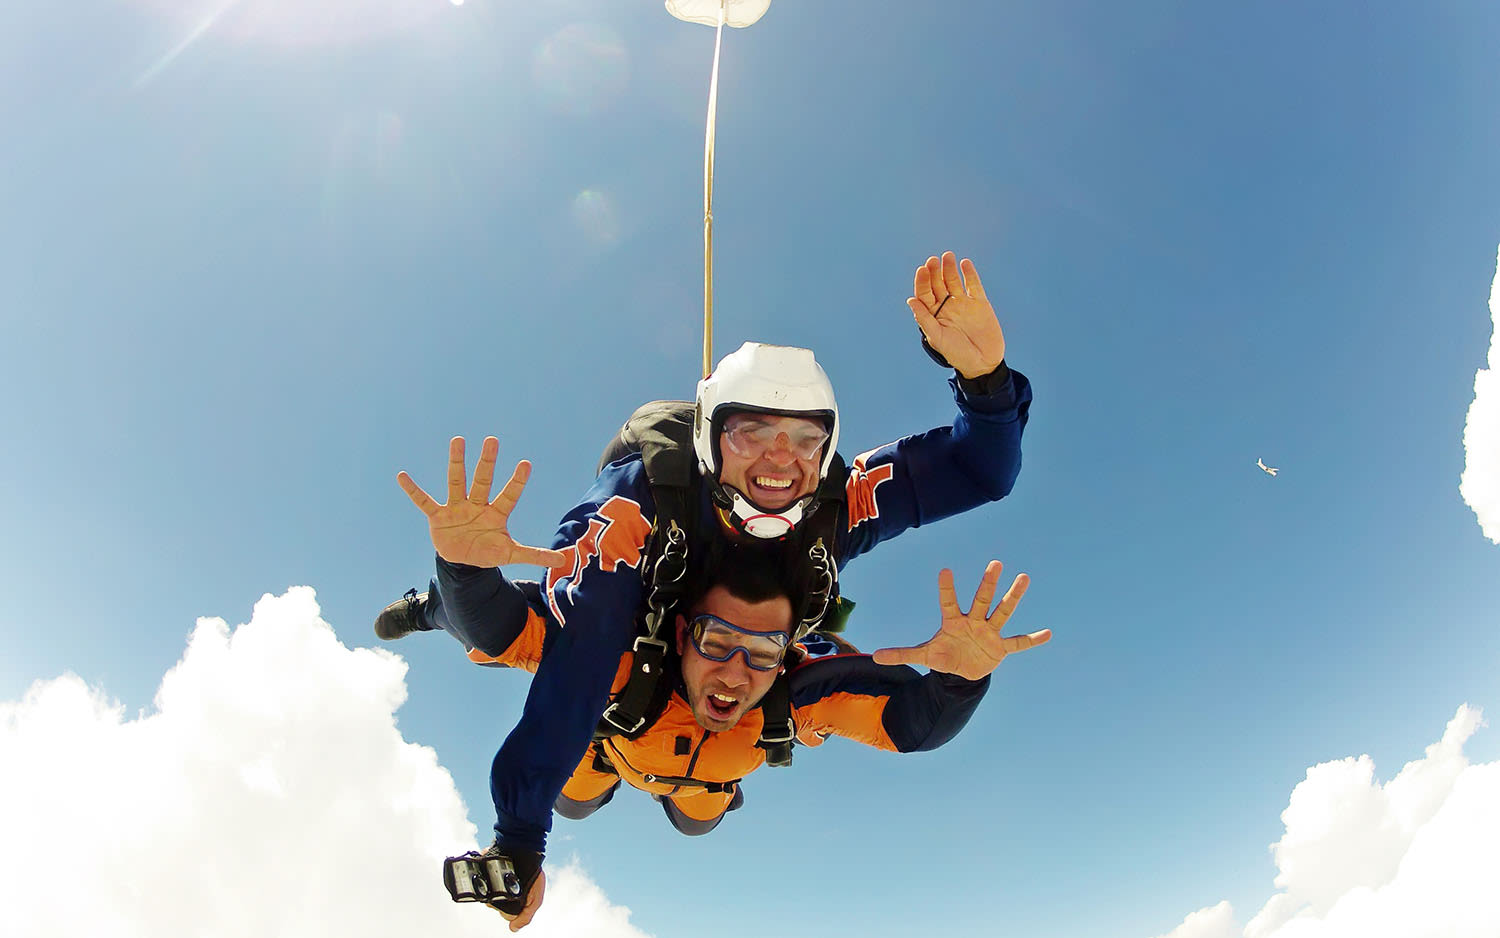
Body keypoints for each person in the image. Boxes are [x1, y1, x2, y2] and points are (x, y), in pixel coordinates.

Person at [385, 251, 1035, 913]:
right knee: (576, 783)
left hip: (705, 755)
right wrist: (521, 836)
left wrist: (984, 380)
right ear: (706, 439)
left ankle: (686, 787)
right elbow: (538, 638)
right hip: (611, 715)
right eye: (751, 432)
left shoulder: (832, 510)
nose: (780, 459)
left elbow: (980, 471)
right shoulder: (636, 512)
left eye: (805, 439)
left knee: (702, 807)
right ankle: (426, 607)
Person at [424, 544, 1050, 929]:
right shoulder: (617, 660)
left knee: (697, 820)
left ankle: (701, 789)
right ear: (677, 635)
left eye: (762, 651)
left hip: (707, 778)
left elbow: (913, 724)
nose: (735, 673)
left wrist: (960, 682)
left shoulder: (797, 690)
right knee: (575, 800)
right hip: (606, 745)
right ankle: (605, 763)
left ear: (788, 654)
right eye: (716, 641)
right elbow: (498, 626)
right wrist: (451, 583)